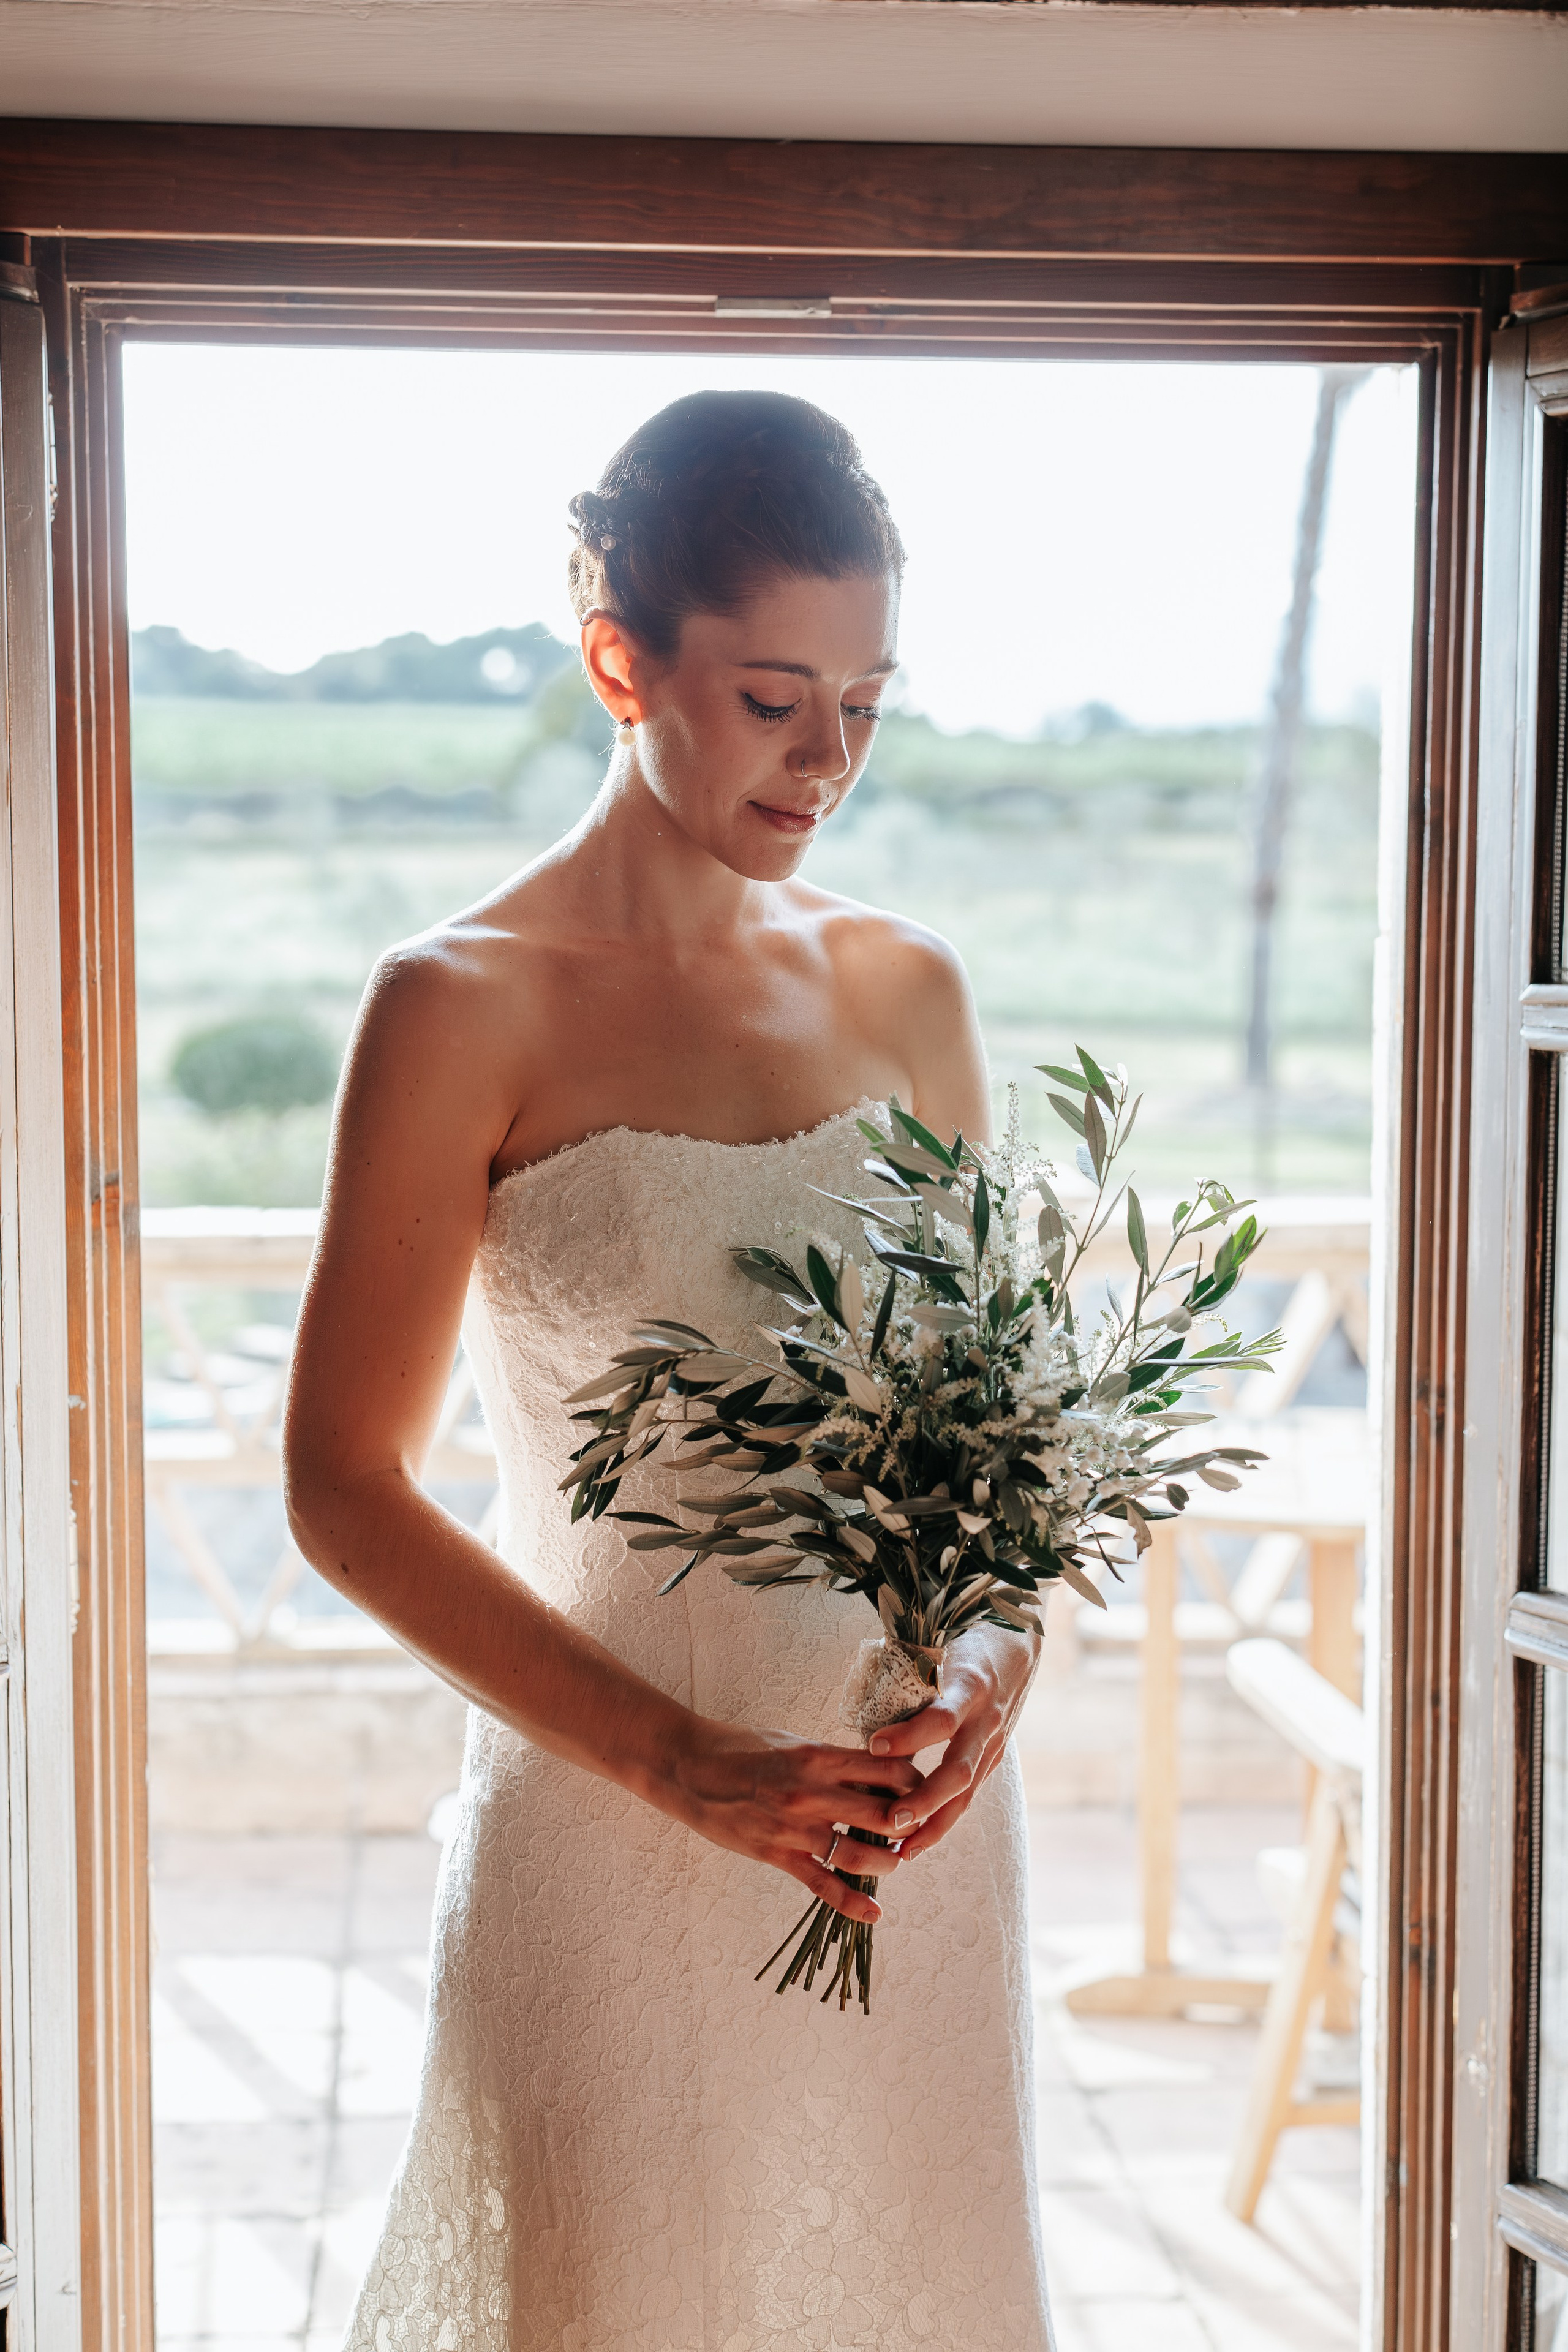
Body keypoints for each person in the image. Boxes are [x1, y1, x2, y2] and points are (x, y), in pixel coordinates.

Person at [284, 389, 1054, 2351]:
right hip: (611, 1817)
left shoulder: (909, 987)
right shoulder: (455, 1006)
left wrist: (989, 1662)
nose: (830, 760)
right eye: (777, 698)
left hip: (902, 1844)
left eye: (868, 704)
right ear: (623, 659)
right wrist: (684, 1767)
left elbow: (1005, 1434)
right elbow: (344, 1488)